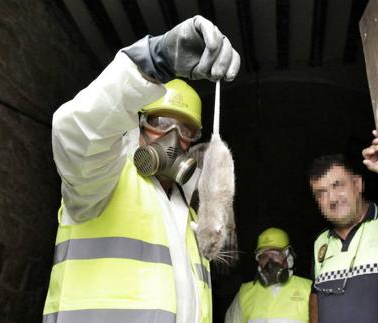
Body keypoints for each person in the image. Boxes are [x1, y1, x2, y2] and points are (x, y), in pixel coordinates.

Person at [42, 16, 240, 323]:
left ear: (194, 141)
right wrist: (153, 58)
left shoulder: (191, 216)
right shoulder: (100, 180)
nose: (172, 139)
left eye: (185, 130)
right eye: (159, 122)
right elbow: (76, 131)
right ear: (138, 123)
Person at [307, 130, 378, 323]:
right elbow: (316, 297)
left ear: (358, 184)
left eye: (338, 185)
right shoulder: (320, 243)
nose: (332, 199)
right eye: (321, 193)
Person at [225, 228, 312, 323]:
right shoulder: (244, 293)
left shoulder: (309, 290)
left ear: (288, 257)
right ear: (258, 262)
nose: (270, 262)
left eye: (276, 254)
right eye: (264, 256)